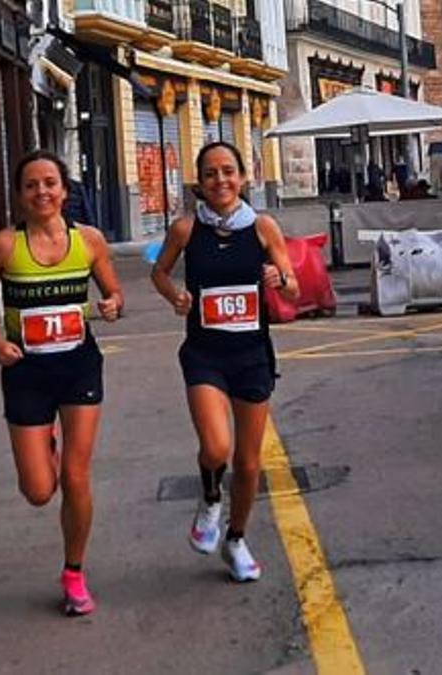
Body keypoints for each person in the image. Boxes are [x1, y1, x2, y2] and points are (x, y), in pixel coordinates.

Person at [0, 150, 123, 616]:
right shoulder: (4, 246)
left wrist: (112, 304)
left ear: (65, 191)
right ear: (20, 196)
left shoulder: (89, 241)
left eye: (50, 183)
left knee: (76, 476)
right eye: (31, 185)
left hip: (78, 366)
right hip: (26, 372)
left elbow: (114, 293)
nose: (42, 192)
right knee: (38, 490)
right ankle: (45, 446)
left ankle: (74, 572)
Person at [150, 141, 300, 582]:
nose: (221, 181)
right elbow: (159, 272)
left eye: (229, 171)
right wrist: (175, 296)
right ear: (199, 182)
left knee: (250, 463)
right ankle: (210, 497)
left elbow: (293, 288)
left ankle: (235, 539)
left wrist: (280, 277)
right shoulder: (184, 230)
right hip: (205, 354)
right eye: (211, 173)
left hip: (252, 354)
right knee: (217, 448)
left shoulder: (263, 227)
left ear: (244, 177)